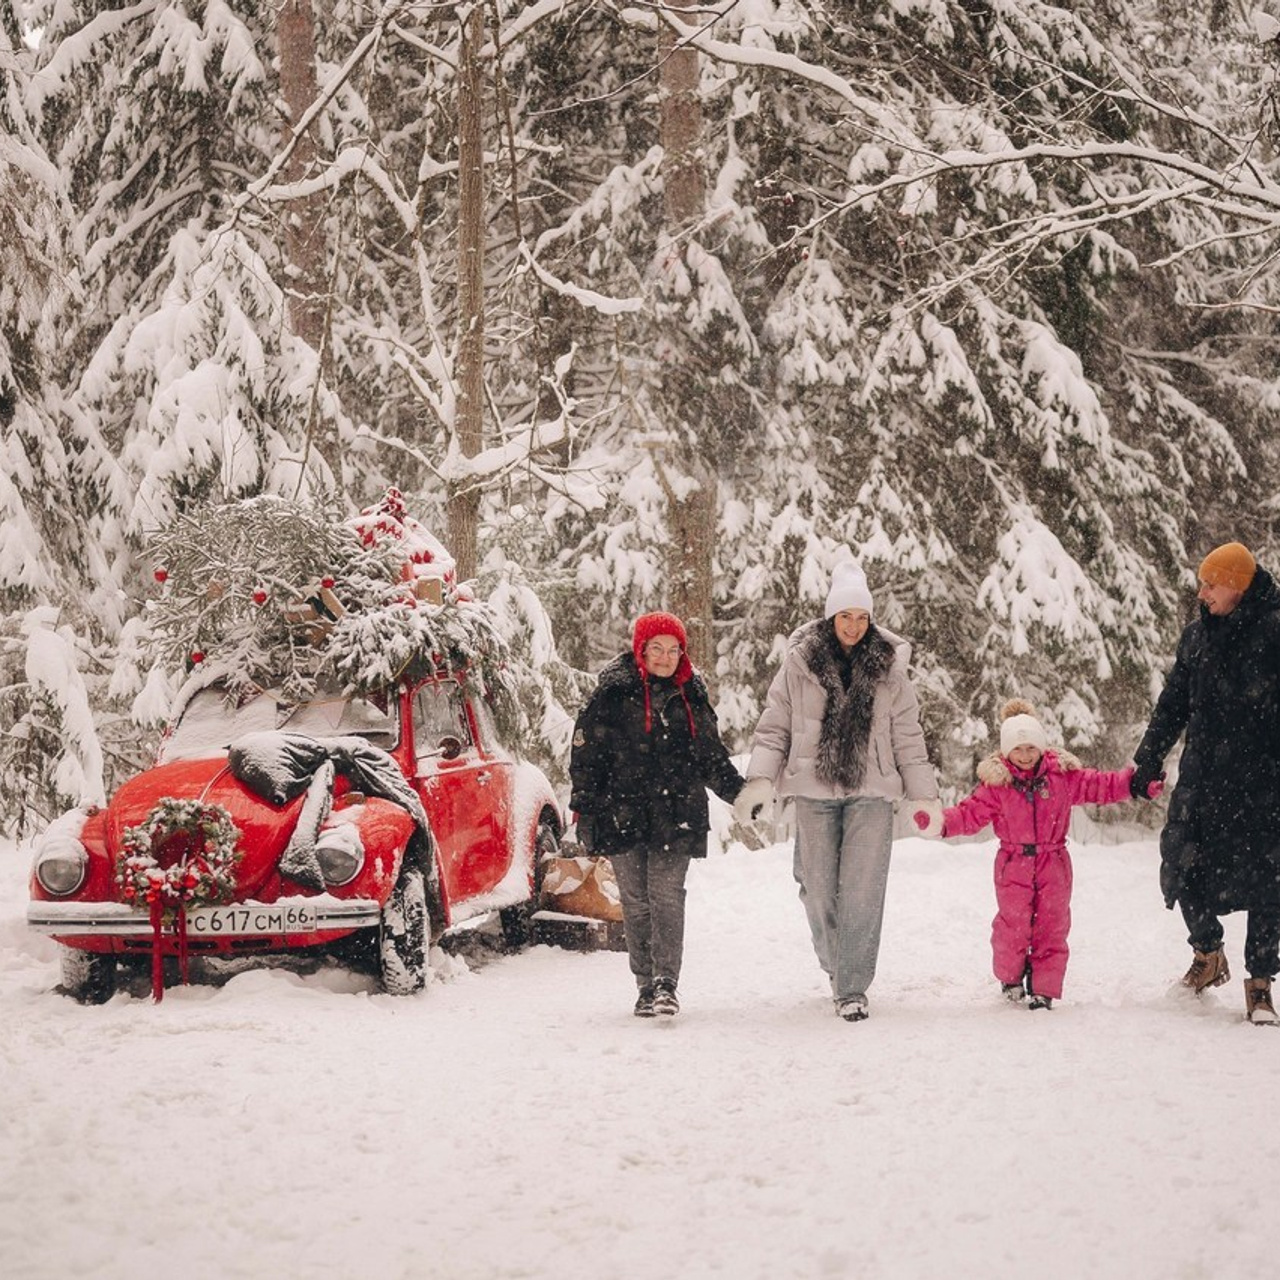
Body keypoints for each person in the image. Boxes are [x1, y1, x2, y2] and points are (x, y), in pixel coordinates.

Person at [736, 559, 942, 1022]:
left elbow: (909, 737)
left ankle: (851, 986)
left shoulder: (890, 668)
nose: (853, 625)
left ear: (870, 620)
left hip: (873, 790)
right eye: (845, 616)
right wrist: (761, 781)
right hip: (813, 790)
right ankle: (836, 962)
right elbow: (773, 730)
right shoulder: (800, 664)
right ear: (831, 618)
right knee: (817, 888)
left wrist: (922, 795)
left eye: (861, 617)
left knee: (863, 891)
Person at [1130, 541, 1280, 1025]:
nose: (1202, 592)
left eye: (1210, 583)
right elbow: (1173, 702)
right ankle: (1209, 954)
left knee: (1268, 881)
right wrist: (1149, 758)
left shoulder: (1275, 632)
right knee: (1182, 862)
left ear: (1235, 584)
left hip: (1264, 779)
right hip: (1205, 776)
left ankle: (1260, 984)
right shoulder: (1197, 637)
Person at [929, 698, 1161, 1009]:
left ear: (1041, 747)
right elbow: (969, 814)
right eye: (1017, 749)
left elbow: (1100, 786)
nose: (1025, 755)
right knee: (1014, 925)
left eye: (1030, 748)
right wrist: (940, 822)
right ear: (1006, 752)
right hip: (1013, 864)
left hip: (1054, 862)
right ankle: (1010, 978)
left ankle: (1044, 988)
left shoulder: (1061, 777)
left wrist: (1134, 784)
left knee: (1052, 925)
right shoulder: (998, 785)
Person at [569, 611, 744, 1018]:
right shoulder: (610, 695)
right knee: (635, 901)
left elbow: (711, 757)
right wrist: (586, 807)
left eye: (673, 649)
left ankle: (667, 983)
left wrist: (740, 792)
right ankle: (644, 984)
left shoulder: (691, 696)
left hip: (676, 811)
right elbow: (586, 756)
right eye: (657, 649)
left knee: (666, 896)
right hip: (621, 811)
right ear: (640, 650)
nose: (665, 657)